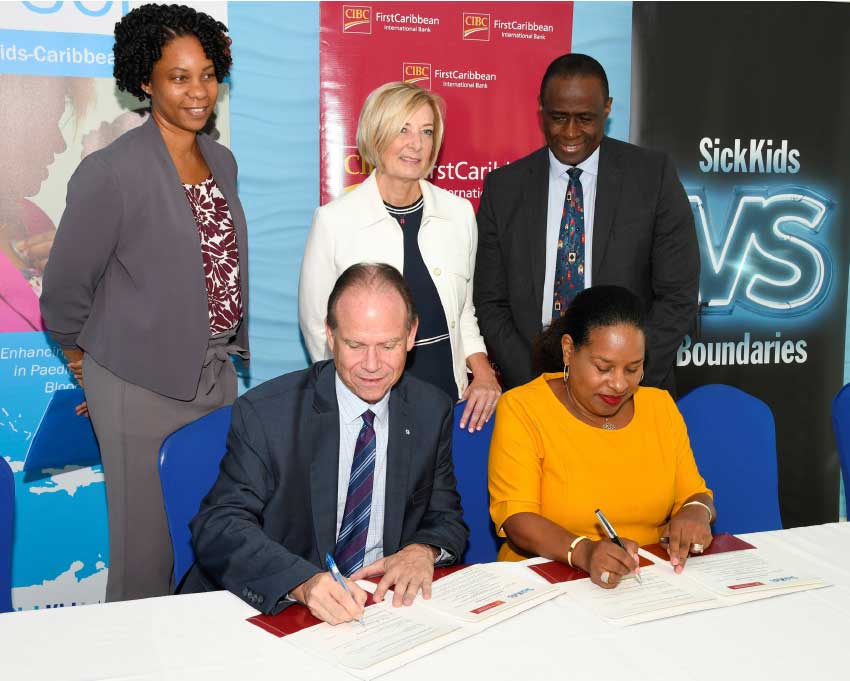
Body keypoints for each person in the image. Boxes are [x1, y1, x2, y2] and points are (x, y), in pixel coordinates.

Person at [40, 4, 249, 602]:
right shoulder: (110, 172)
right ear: (144, 83)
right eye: (179, 77)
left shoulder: (222, 161)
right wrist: (93, 371)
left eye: (207, 73)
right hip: (138, 385)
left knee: (215, 533)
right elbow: (64, 292)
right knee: (145, 554)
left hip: (213, 377)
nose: (198, 90)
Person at [183, 264, 468, 623]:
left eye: (388, 345)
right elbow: (218, 525)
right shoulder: (268, 414)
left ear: (411, 335)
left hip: (377, 612)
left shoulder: (430, 409)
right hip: (277, 609)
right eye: (355, 344)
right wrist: (301, 582)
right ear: (330, 336)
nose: (372, 364)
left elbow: (446, 517)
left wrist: (422, 549)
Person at [474, 53, 699, 394]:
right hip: (535, 393)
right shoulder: (503, 188)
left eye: (585, 118)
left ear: (607, 108)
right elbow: (491, 302)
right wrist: (538, 387)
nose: (570, 132)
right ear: (541, 108)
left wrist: (622, 379)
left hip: (631, 397)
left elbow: (678, 296)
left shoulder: (653, 178)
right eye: (558, 117)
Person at [299, 81, 500, 433]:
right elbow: (319, 329)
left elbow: (463, 312)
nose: (416, 144)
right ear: (376, 135)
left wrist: (482, 372)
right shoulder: (334, 221)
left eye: (426, 131)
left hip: (448, 403)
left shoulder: (459, 214)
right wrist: (350, 400)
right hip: (368, 406)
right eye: (402, 130)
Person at [488, 285, 714, 589]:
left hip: (647, 581)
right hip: (545, 581)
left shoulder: (659, 407)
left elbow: (694, 494)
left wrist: (696, 513)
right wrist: (583, 551)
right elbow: (517, 518)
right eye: (603, 368)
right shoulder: (523, 408)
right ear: (569, 350)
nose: (619, 384)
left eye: (633, 369)